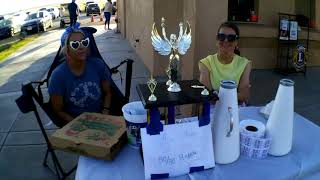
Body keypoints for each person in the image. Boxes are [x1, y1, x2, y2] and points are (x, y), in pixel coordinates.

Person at [48, 27, 112, 126]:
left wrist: (105, 112)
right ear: (66, 50)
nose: (81, 47)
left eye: (84, 42)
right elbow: (58, 110)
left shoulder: (98, 65)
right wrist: (80, 125)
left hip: (101, 117)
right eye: (75, 44)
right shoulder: (58, 76)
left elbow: (108, 93)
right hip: (74, 122)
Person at [199, 22, 252, 103]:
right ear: (217, 40)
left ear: (236, 42)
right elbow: (206, 93)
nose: (226, 40)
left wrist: (217, 94)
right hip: (213, 109)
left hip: (235, 109)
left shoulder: (245, 64)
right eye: (222, 37)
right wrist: (233, 95)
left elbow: (244, 95)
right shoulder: (206, 63)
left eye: (231, 38)